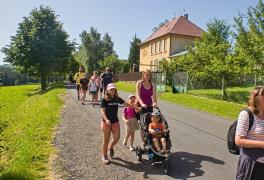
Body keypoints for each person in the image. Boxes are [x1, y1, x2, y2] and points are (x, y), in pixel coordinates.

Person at [100, 83, 141, 164]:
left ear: (115, 90)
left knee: (117, 138)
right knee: (106, 140)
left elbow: (127, 104)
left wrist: (136, 107)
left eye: (114, 89)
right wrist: (106, 119)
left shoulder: (117, 98)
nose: (112, 90)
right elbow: (102, 111)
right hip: (106, 122)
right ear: (108, 90)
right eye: (111, 89)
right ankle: (104, 156)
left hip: (115, 121)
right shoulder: (104, 99)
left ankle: (111, 147)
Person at [235, 86, 264, 180]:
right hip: (252, 162)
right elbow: (239, 141)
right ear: (256, 99)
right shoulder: (246, 114)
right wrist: (262, 144)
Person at [136, 69, 158, 148]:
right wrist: (142, 103)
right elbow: (138, 95)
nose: (147, 77)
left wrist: (155, 102)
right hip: (141, 106)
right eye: (146, 75)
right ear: (143, 75)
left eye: (149, 75)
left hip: (149, 106)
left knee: (150, 124)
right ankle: (143, 142)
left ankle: (150, 140)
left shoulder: (152, 84)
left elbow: (154, 95)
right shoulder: (139, 83)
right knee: (143, 125)